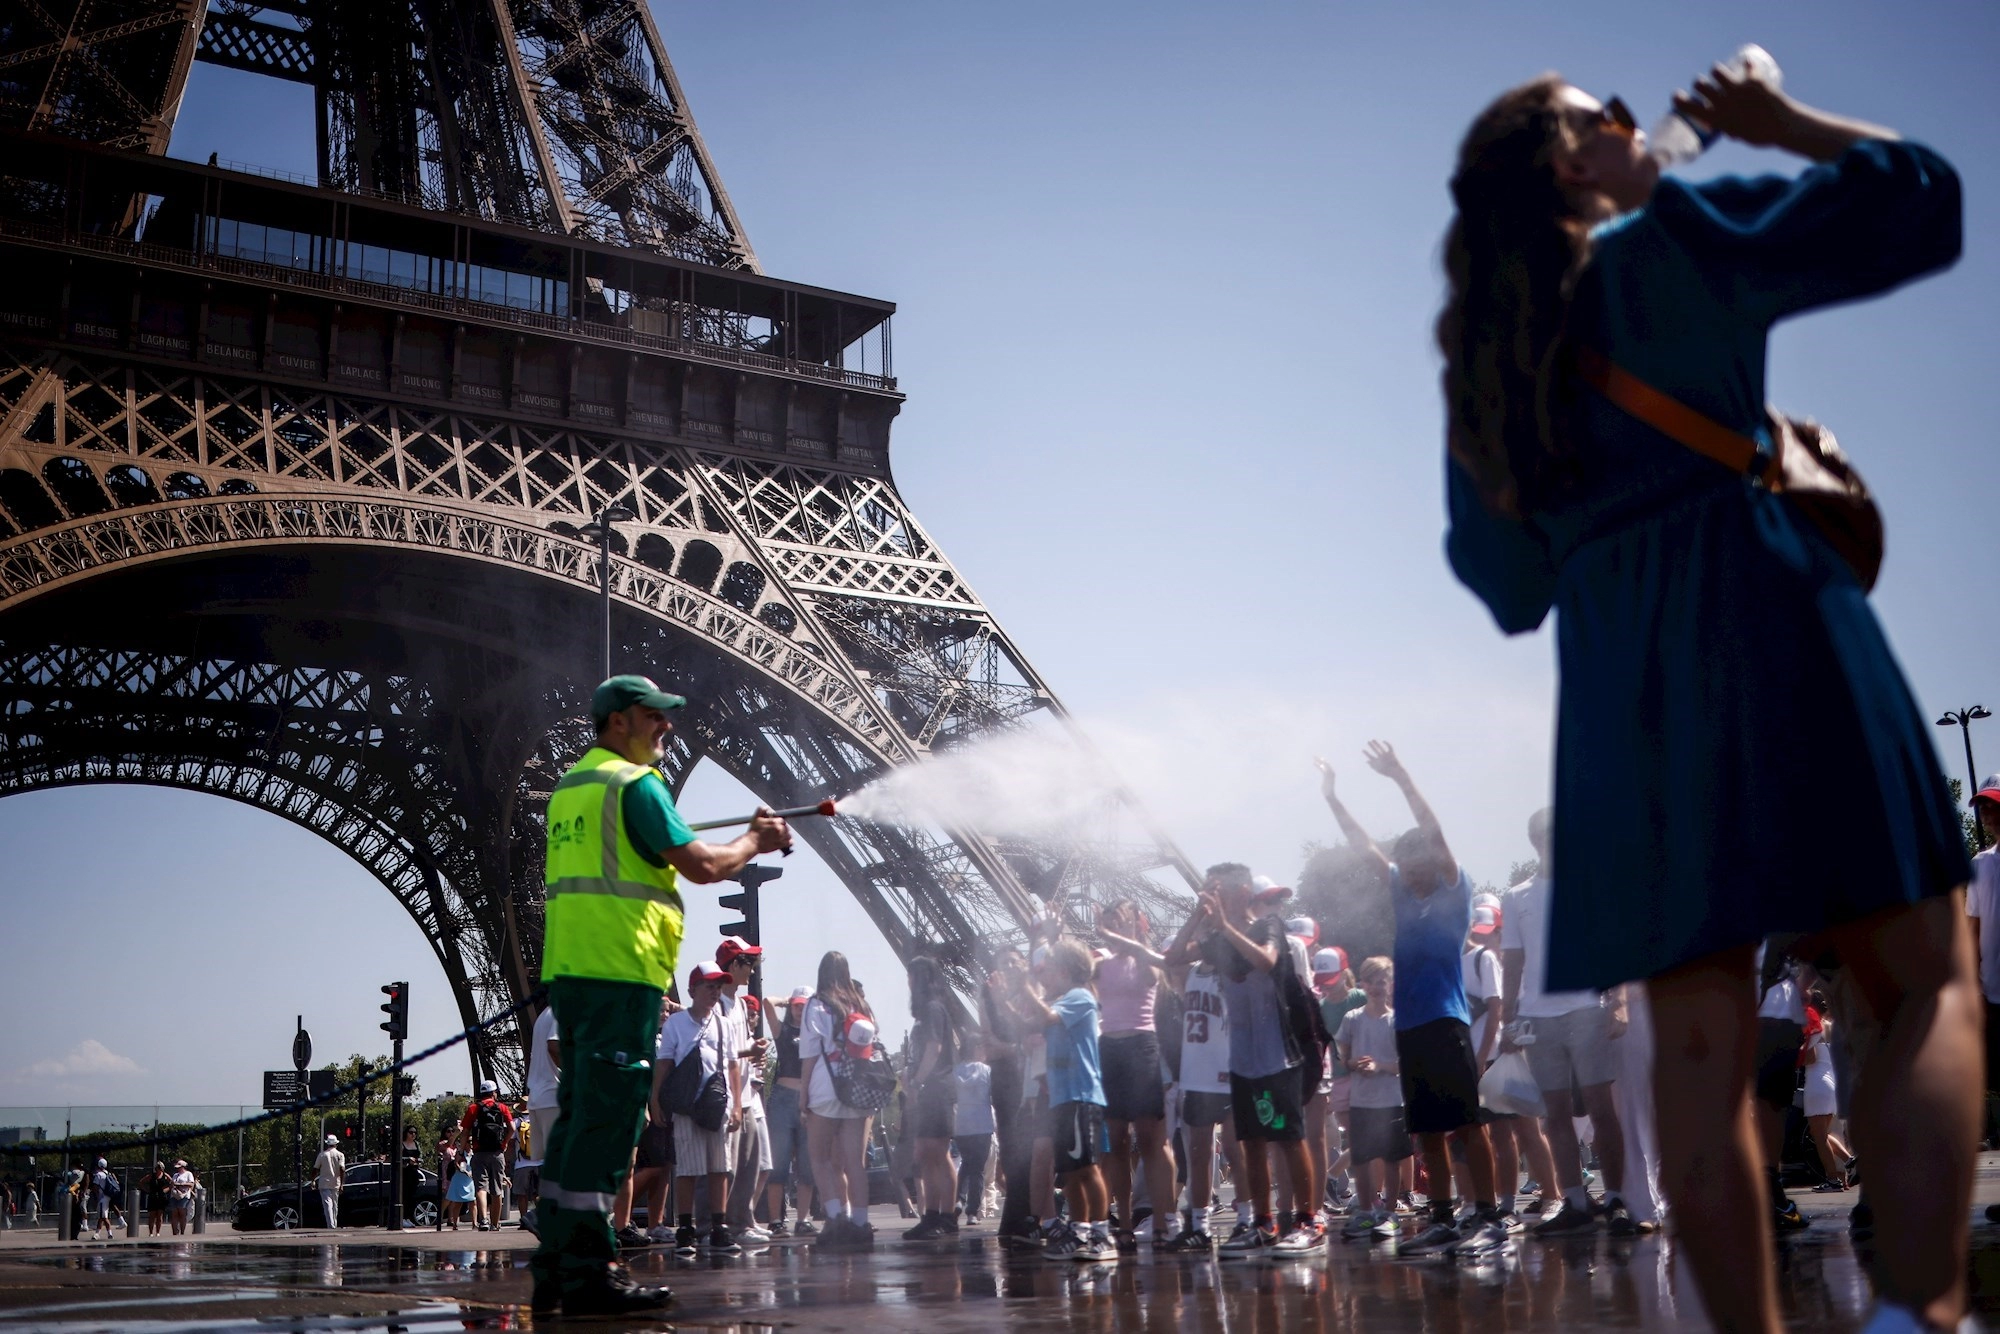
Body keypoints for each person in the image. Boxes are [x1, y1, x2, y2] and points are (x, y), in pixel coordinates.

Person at [1439, 67, 1974, 1333]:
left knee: (1691, 1043)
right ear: (1575, 164)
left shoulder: (1486, 372)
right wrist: (1775, 126)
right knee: (1923, 982)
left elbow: (1504, 582)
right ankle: (1915, 1313)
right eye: (1606, 115)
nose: (1632, 125)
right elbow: (1921, 201)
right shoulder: (1670, 243)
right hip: (1772, 608)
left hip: (1621, 681)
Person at [530, 674, 790, 1317]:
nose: (666, 726)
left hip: (574, 975)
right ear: (619, 721)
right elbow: (701, 865)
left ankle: (558, 1261)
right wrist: (757, 839)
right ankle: (591, 1268)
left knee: (578, 1117)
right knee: (611, 1121)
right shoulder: (634, 784)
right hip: (621, 975)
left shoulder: (571, 789)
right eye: (654, 716)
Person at [1319, 744, 1509, 1260]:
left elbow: (1435, 830)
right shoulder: (1405, 894)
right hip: (1412, 1029)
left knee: (1467, 1124)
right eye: (1402, 866)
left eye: (1413, 863)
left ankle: (1490, 1217)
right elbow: (1362, 847)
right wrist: (1332, 798)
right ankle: (1445, 1218)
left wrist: (1400, 775)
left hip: (1447, 1021)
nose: (1406, 873)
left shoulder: (1453, 892)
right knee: (1427, 1129)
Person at [1499, 808, 1632, 1235]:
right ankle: (1574, 1200)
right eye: (1544, 836)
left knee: (1600, 1107)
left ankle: (1616, 1199)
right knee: (1554, 1114)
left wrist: (1619, 1000)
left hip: (1586, 1007)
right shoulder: (1516, 895)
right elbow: (1513, 960)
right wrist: (1507, 1017)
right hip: (1539, 1015)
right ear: (1534, 841)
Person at [1177, 863, 1320, 1257]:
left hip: (1278, 1053)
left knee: (1289, 1138)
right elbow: (1172, 957)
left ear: (1240, 891)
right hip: (1242, 1058)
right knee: (1252, 1142)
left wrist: (1224, 924)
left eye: (1214, 889)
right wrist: (1198, 919)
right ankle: (1262, 1221)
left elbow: (1267, 961)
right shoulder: (1217, 938)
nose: (1208, 896)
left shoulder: (1267, 925)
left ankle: (1309, 1219)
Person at [1014, 938, 1115, 1262]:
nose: (1045, 976)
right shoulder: (1062, 999)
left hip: (1080, 1095)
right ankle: (1081, 1228)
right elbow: (1032, 1020)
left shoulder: (1079, 997)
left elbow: (1047, 1017)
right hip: (1061, 1097)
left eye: (1049, 969)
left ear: (1066, 970)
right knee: (1070, 1170)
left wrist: (1025, 987)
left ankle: (1101, 1232)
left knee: (1086, 1168)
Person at [1092, 900, 1178, 1251]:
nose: (1113, 930)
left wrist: (1127, 938)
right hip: (1109, 1049)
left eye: (1120, 922)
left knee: (1150, 1138)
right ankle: (1124, 1221)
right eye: (1108, 923)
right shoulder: (1100, 965)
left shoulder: (1146, 959)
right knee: (1115, 1141)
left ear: (1136, 924)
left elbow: (1152, 975)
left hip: (1142, 1045)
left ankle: (1163, 1218)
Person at [661, 960, 741, 1254]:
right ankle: (685, 1228)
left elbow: (732, 1066)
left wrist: (736, 1105)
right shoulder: (675, 1024)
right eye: (710, 986)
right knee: (689, 1170)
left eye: (718, 987)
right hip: (687, 1106)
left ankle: (718, 1226)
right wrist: (657, 1100)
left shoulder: (724, 1024)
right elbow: (664, 1064)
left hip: (716, 1104)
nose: (715, 992)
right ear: (693, 989)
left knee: (720, 1168)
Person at [800, 950, 877, 1251]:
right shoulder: (861, 1005)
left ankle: (835, 1218)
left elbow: (808, 1055)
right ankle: (861, 1221)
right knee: (854, 1163)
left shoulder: (817, 1005)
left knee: (819, 1157)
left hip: (825, 1087)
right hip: (856, 1088)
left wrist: (803, 1096)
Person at [1337, 957, 1411, 1241]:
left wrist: (1379, 1066)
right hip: (1362, 1101)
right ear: (1363, 984)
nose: (1378, 987)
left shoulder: (1397, 1020)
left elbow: (1405, 1063)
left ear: (1390, 983)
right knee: (1363, 1158)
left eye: (1383, 981)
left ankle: (1389, 1212)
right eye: (1372, 981)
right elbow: (1343, 1055)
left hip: (1391, 1099)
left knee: (1392, 1159)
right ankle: (1366, 1211)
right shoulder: (1352, 1018)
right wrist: (1355, 1064)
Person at [716, 938, 772, 1242]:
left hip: (747, 1093)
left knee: (750, 1162)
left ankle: (742, 1221)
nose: (751, 971)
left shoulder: (737, 1004)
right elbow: (719, 1050)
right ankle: (715, 1225)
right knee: (726, 1166)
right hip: (727, 1095)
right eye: (748, 964)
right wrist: (747, 1053)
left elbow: (738, 1046)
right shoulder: (718, 1006)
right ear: (733, 965)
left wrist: (754, 1047)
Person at [902, 955, 961, 1241]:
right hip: (929, 1089)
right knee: (927, 1153)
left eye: (912, 976)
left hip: (936, 1088)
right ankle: (934, 1215)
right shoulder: (929, 1011)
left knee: (937, 1152)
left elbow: (934, 1048)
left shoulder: (933, 1009)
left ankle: (945, 1216)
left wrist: (916, 1080)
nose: (908, 982)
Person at [765, 988, 816, 1238]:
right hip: (783, 1099)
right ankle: (775, 1220)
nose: (800, 1009)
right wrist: (786, 1000)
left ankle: (803, 1219)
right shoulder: (783, 1032)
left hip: (809, 1100)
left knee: (807, 1166)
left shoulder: (816, 1034)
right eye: (797, 1005)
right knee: (779, 1164)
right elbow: (767, 1002)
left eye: (805, 1005)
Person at [1802, 994, 1855, 1191]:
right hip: (1832, 1083)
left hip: (1816, 1083)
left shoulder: (1814, 1027)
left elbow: (1810, 1058)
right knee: (1823, 1133)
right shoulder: (1833, 1027)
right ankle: (1849, 1160)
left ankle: (1832, 1179)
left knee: (1819, 1137)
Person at [522, 998, 561, 1236]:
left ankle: (550, 1218)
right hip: (554, 1095)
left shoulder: (544, 1014)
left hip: (538, 1097)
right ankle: (542, 1213)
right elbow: (554, 1046)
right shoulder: (562, 1009)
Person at [456, 1079, 515, 1231]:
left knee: (481, 1188)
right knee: (497, 1190)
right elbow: (512, 1128)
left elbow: (464, 1133)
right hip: (497, 1152)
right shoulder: (502, 1108)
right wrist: (505, 1142)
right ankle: (495, 1224)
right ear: (494, 1093)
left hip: (479, 1152)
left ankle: (484, 1221)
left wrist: (460, 1152)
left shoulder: (473, 1108)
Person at [952, 1033, 996, 1223]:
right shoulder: (987, 1071)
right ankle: (972, 1211)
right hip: (982, 1124)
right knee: (977, 1168)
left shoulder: (955, 1072)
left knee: (966, 1164)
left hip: (961, 1124)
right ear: (977, 1048)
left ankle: (958, 1199)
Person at [313, 1135, 345, 1230]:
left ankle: (330, 1225)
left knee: (328, 1205)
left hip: (324, 1183)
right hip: (336, 1182)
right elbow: (342, 1169)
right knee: (335, 1205)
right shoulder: (340, 1155)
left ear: (327, 1144)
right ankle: (334, 1224)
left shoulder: (322, 1155)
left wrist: (313, 1180)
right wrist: (342, 1184)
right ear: (336, 1144)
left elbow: (315, 1169)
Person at [442, 1140, 473, 1228]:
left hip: (470, 1180)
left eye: (472, 1141)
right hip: (460, 1178)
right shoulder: (460, 1152)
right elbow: (458, 1164)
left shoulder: (474, 1153)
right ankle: (454, 1223)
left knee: (473, 1202)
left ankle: (475, 1223)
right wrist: (465, 1171)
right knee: (457, 1202)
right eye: (469, 1141)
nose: (471, 1143)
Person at [85, 1158, 117, 1240]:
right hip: (108, 1197)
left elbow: (95, 1187)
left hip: (102, 1197)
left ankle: (109, 1234)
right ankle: (97, 1234)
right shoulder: (107, 1173)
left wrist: (96, 1195)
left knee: (103, 1216)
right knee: (101, 1216)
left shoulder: (99, 1175)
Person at [167, 1160, 195, 1235]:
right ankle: (175, 1232)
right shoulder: (175, 1175)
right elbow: (171, 1185)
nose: (178, 1169)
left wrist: (181, 1184)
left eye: (179, 1167)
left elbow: (191, 1184)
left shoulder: (188, 1174)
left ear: (183, 1167)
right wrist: (172, 1184)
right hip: (174, 1195)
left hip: (184, 1195)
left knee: (182, 1212)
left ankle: (182, 1232)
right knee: (174, 1213)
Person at [142, 1161, 169, 1236]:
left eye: (160, 1168)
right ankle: (151, 1232)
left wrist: (166, 1190)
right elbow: (141, 1182)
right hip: (153, 1196)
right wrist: (147, 1190)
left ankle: (158, 1232)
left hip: (161, 1196)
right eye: (157, 1168)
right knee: (152, 1215)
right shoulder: (151, 1176)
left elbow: (171, 1183)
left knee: (159, 1215)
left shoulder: (165, 1175)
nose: (158, 1169)